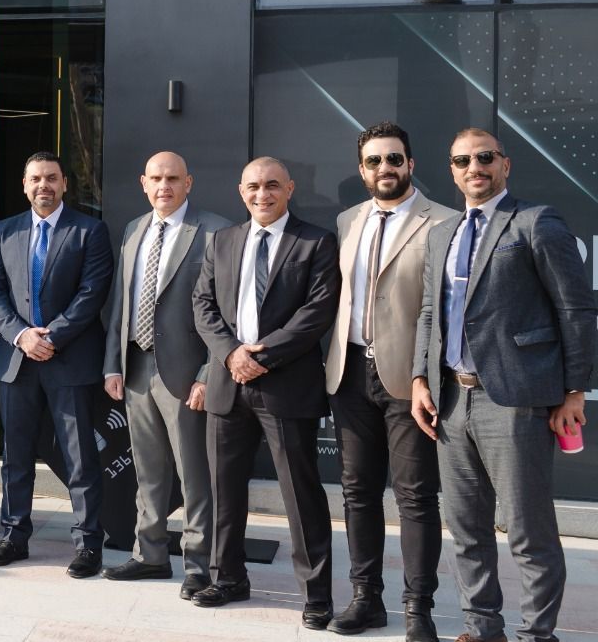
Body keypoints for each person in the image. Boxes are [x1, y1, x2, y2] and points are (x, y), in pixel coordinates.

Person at [412, 128, 595, 642]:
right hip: (452, 398)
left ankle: (538, 634)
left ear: (505, 165)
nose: (474, 167)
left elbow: (575, 310)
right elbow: (429, 312)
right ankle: (481, 628)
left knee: (527, 530)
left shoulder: (536, 222)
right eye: (462, 160)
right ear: (451, 171)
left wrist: (574, 390)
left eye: (485, 157)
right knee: (466, 529)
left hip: (515, 399)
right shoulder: (441, 235)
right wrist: (420, 378)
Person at [191, 157, 339, 629]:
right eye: (253, 186)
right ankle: (227, 578)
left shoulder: (315, 242)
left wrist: (262, 356)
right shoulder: (222, 240)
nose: (263, 194)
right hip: (227, 385)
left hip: (286, 387)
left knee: (301, 495)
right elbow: (203, 304)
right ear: (241, 191)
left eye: (272, 185)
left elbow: (317, 312)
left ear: (289, 189)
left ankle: (316, 594)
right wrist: (231, 354)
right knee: (224, 491)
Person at [324, 123, 448, 641]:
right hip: (350, 372)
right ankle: (365, 599)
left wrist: (424, 374)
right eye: (374, 161)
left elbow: (440, 311)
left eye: (394, 159)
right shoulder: (347, 220)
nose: (385, 168)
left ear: (411, 164)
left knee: (415, 497)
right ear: (362, 170)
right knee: (357, 492)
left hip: (410, 378)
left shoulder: (443, 221)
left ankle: (419, 608)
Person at [102, 151, 230, 598]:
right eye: (156, 178)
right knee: (148, 471)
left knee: (194, 475)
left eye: (173, 178)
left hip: (187, 374)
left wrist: (207, 374)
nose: (164, 186)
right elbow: (121, 301)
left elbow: (224, 313)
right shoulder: (134, 229)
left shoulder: (214, 231)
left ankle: (198, 565)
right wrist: (113, 364)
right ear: (143, 182)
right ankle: (150, 555)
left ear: (188, 182)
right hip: (136, 366)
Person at [0, 151, 111, 575]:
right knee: (15, 455)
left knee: (80, 457)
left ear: (64, 183)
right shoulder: (5, 230)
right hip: (17, 360)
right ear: (24, 185)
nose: (44, 186)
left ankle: (88, 543)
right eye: (35, 178)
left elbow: (92, 293)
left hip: (69, 359)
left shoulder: (89, 230)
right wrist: (22, 336)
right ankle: (13, 536)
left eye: (51, 178)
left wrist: (50, 337)